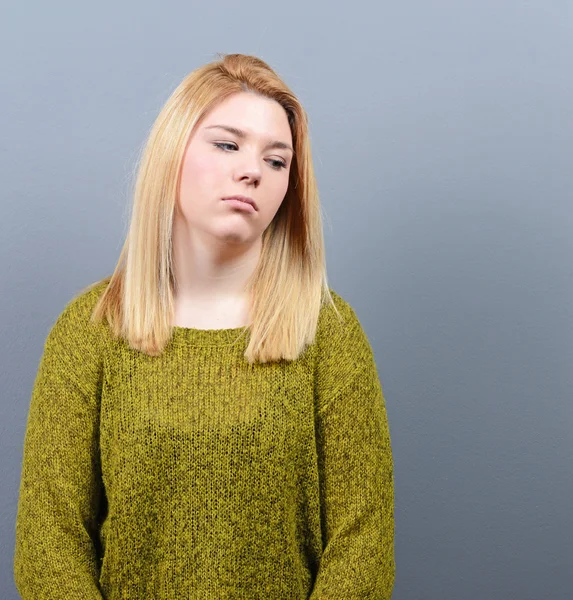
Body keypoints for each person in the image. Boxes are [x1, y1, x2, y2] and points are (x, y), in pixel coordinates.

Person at [13, 53, 395, 599]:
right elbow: (48, 545)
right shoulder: (90, 329)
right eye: (227, 144)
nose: (252, 170)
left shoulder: (327, 330)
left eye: (277, 161)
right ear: (173, 153)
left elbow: (365, 545)